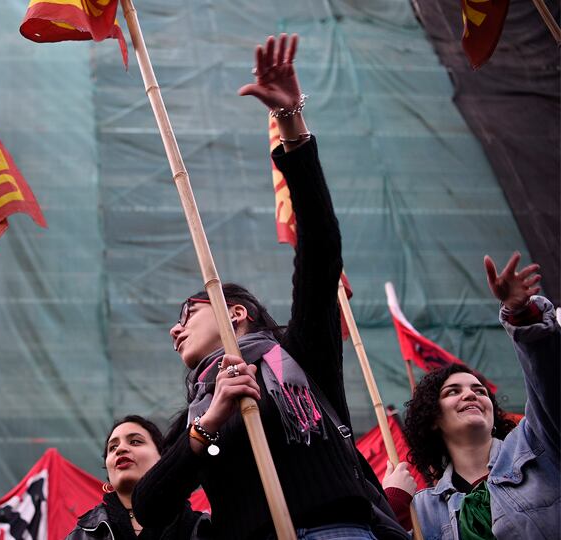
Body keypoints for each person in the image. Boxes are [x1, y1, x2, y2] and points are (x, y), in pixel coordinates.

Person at [132, 35, 404, 540]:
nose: (175, 329)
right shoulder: (200, 412)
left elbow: (320, 247)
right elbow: (150, 505)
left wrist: (291, 125)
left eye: (188, 313)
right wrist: (211, 423)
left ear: (236, 313)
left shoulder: (301, 355)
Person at [402, 252, 558, 539]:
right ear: (432, 418)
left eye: (479, 391)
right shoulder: (421, 509)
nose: (471, 395)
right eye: (453, 391)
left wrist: (522, 316)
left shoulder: (537, 443)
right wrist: (393, 504)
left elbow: (551, 386)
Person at [67, 415, 210, 540]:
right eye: (113, 447)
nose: (120, 449)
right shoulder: (82, 534)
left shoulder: (203, 529)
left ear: (163, 458)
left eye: (135, 441)